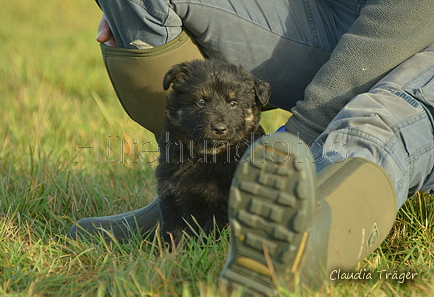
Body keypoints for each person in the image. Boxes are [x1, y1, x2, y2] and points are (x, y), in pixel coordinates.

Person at [68, 0, 434, 294]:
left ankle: (299, 246)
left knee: (374, 119)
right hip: (325, 13)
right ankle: (186, 200)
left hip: (417, 27)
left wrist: (298, 135)